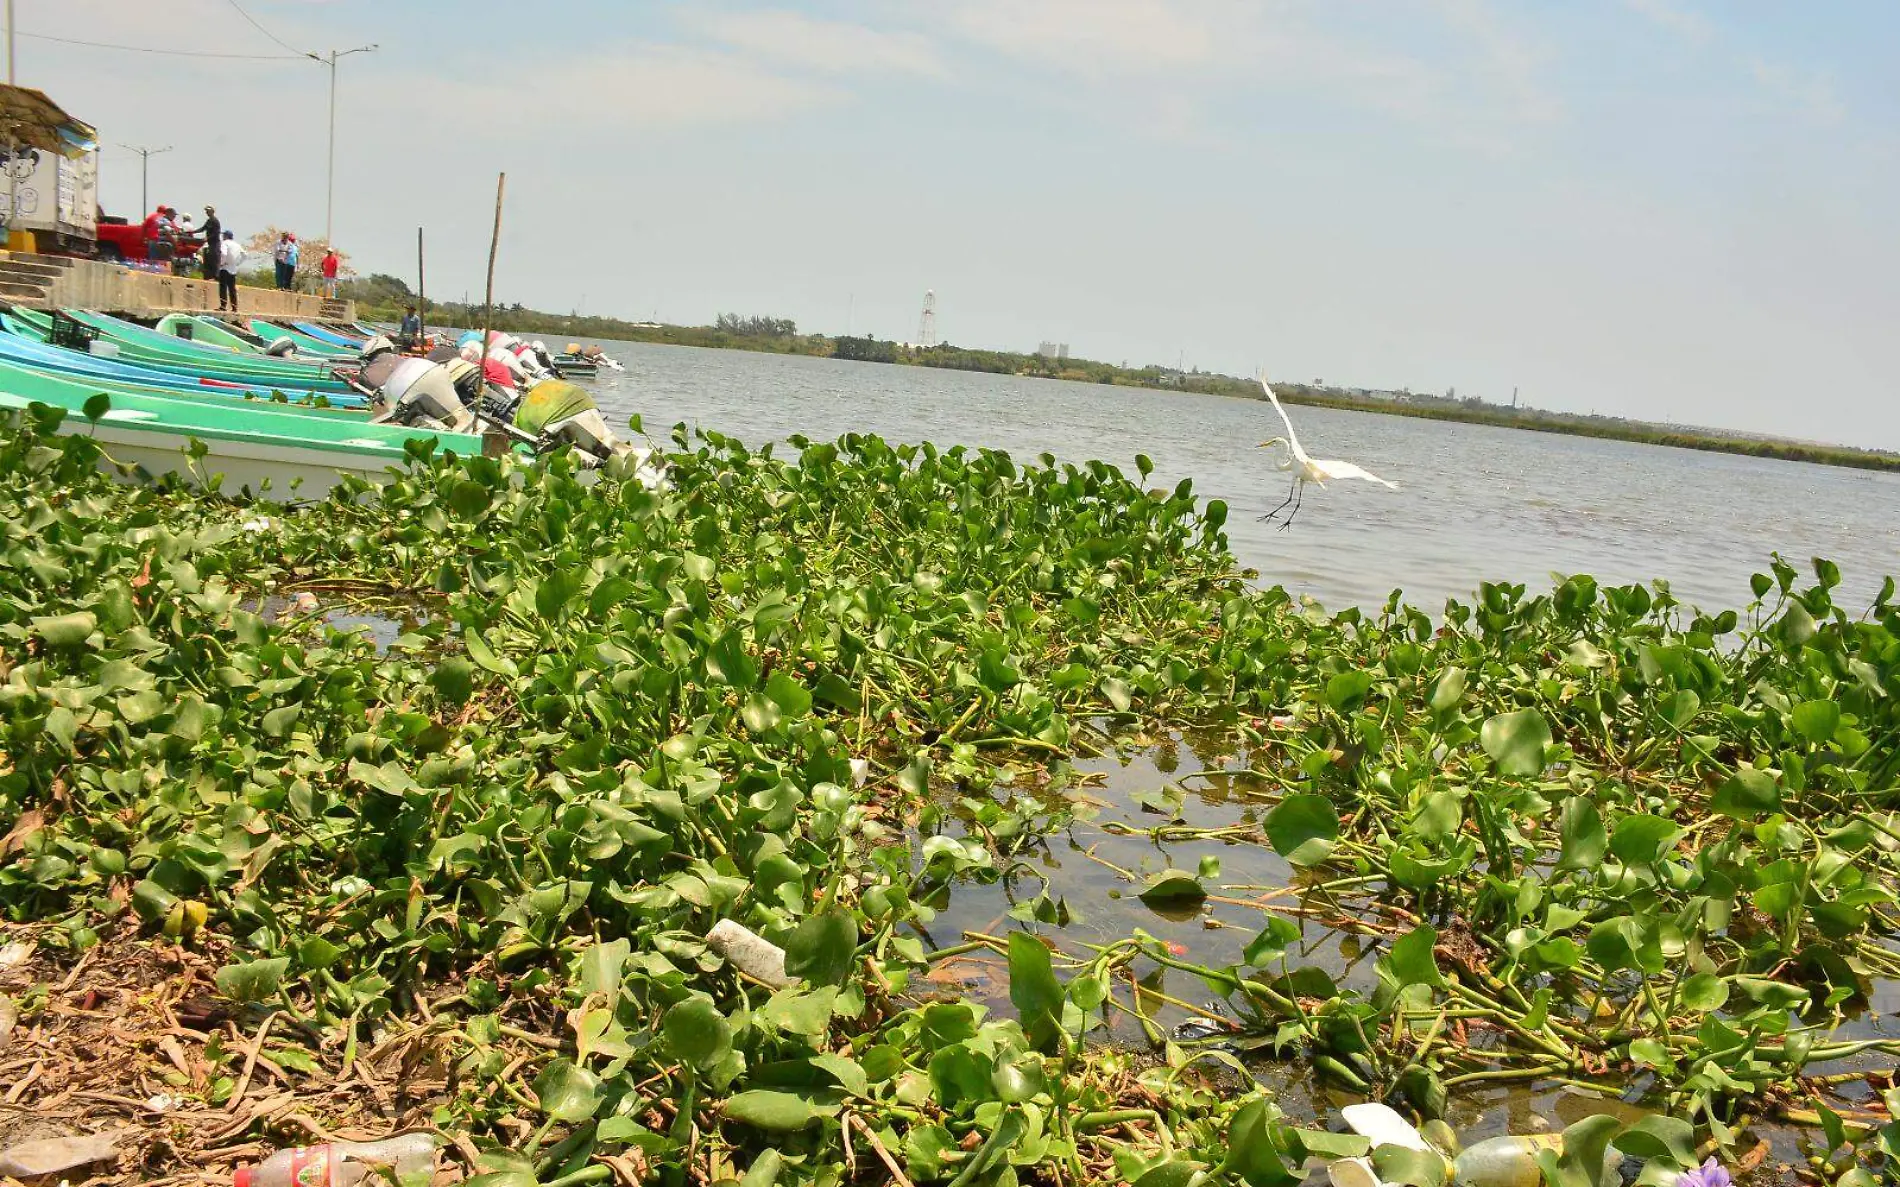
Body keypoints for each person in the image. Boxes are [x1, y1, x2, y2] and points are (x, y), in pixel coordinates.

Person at [215, 230, 243, 312]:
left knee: (223, 287)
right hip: (233, 268)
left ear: (226, 236)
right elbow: (245, 255)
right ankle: (234, 307)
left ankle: (223, 306)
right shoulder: (237, 244)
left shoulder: (225, 243)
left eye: (223, 235)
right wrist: (238, 263)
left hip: (225, 268)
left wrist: (221, 263)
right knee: (232, 289)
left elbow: (223, 254)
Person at [198, 206, 222, 281]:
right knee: (209, 260)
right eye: (206, 211)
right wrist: (193, 232)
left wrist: (207, 238)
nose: (206, 212)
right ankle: (210, 276)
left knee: (215, 260)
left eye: (208, 211)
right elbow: (203, 228)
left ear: (212, 211)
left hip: (215, 244)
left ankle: (216, 277)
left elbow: (216, 233)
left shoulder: (215, 221)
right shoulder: (209, 221)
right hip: (210, 244)